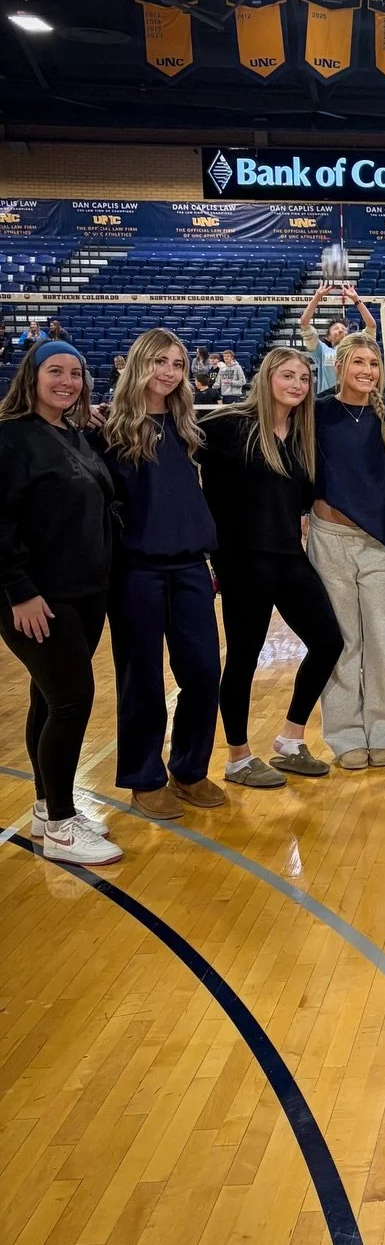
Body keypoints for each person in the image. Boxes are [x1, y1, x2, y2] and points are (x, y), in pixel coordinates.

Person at [0, 342, 123, 864]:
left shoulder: (75, 435)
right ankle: (62, 825)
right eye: (56, 371)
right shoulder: (11, 439)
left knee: (48, 700)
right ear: (33, 377)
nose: (67, 381)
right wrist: (20, 592)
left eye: (76, 373)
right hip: (37, 598)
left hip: (84, 592)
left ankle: (45, 808)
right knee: (71, 703)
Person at [201, 347, 343, 787]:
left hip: (287, 557)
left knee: (328, 641)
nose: (298, 384)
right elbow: (172, 439)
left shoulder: (301, 437)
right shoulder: (227, 427)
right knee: (243, 658)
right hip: (243, 563)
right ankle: (238, 757)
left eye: (304, 377)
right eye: (288, 375)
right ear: (267, 378)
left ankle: (289, 739)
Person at [99, 329, 225, 820]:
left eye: (176, 363)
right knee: (142, 679)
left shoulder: (187, 427)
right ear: (139, 365)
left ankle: (190, 769)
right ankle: (143, 777)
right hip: (137, 571)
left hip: (191, 565)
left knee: (203, 673)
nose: (169, 371)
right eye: (159, 362)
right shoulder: (110, 431)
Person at [309, 333, 385, 770]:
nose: (367, 370)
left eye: (374, 363)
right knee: (343, 642)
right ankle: (345, 735)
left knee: (381, 641)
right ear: (340, 365)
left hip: (378, 543)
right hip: (329, 539)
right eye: (358, 362)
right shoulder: (317, 413)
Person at [299, 282, 377, 396]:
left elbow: (371, 325)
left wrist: (356, 299)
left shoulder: (356, 348)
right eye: (336, 328)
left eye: (344, 328)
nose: (341, 330)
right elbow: (304, 323)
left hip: (352, 399)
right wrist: (317, 297)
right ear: (328, 337)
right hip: (327, 401)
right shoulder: (321, 351)